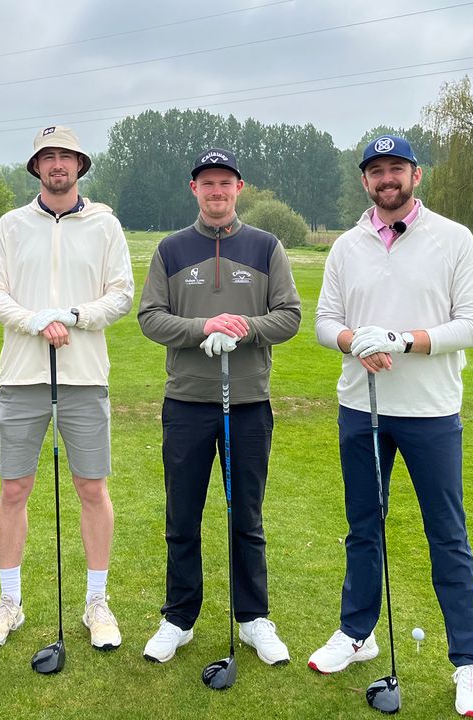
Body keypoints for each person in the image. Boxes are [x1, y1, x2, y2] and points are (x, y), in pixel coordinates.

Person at [310, 134, 473, 718]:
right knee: (363, 527)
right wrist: (353, 342)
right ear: (365, 180)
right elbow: (324, 322)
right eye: (375, 171)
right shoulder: (347, 245)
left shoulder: (454, 239)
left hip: (431, 411)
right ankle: (357, 634)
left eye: (396, 168)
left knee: (448, 535)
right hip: (360, 407)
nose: (386, 178)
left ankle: (469, 664)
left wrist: (404, 340)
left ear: (415, 174)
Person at [137, 148, 301, 666]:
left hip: (248, 403)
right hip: (186, 402)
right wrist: (202, 328)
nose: (216, 192)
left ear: (239, 188)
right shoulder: (170, 249)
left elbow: (290, 316)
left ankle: (253, 618)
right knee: (181, 516)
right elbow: (150, 318)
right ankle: (178, 618)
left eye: (225, 183)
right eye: (207, 183)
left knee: (246, 517)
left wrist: (244, 328)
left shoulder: (266, 246)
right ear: (194, 189)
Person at [0, 125, 134, 652]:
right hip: (22, 375)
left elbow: (120, 296)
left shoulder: (105, 225)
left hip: (84, 375)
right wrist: (34, 321)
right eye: (48, 157)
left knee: (92, 488)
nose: (57, 164)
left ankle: (96, 602)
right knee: (14, 489)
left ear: (79, 165)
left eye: (66, 156)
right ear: (36, 167)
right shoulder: (11, 224)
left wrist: (72, 315)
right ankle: (9, 602)